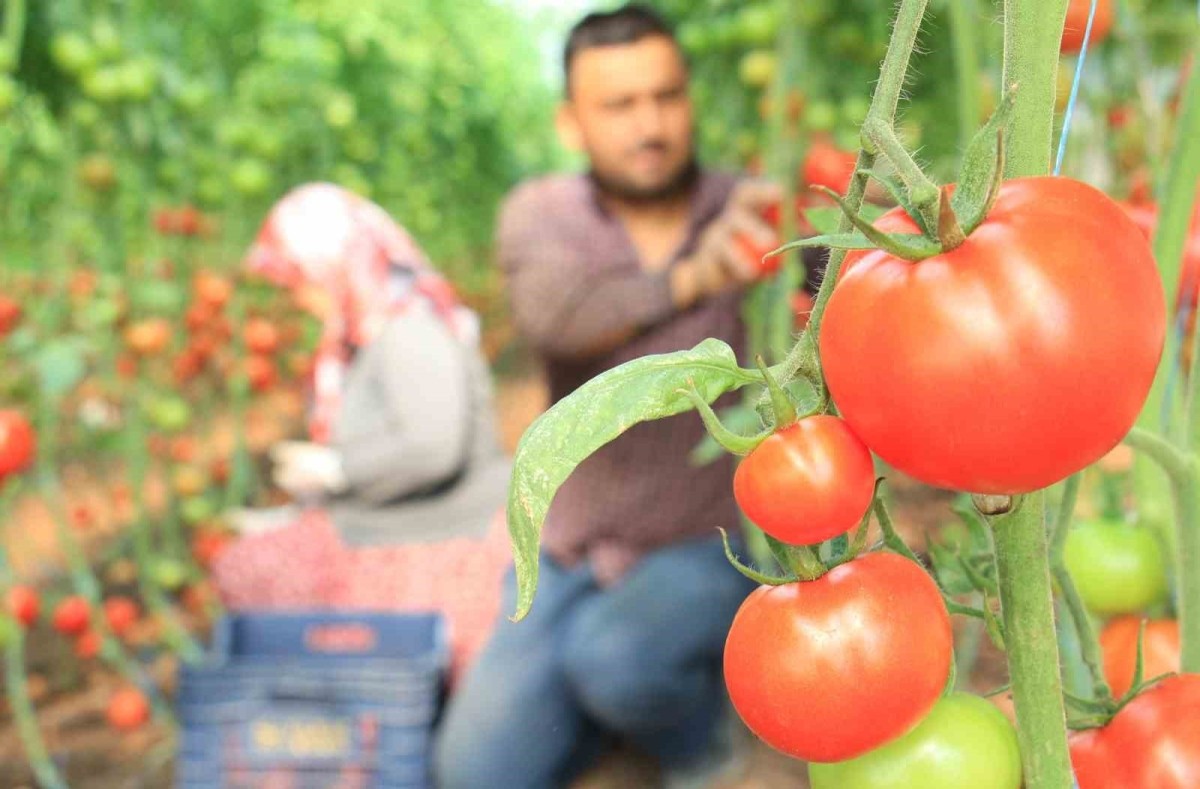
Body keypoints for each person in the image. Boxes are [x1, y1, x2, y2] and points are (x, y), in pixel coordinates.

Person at [434, 6, 794, 788]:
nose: (650, 124)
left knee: (616, 659)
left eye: (666, 96)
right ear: (571, 121)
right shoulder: (545, 213)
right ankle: (618, 713)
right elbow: (559, 317)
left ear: (690, 99)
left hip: (711, 539)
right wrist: (694, 277)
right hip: (574, 550)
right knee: (474, 772)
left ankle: (701, 749)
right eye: (619, 106)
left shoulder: (751, 209)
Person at [212, 183, 513, 679]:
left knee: (257, 568)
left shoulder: (408, 332)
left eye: (303, 280)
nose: (300, 298)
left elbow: (434, 449)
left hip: (443, 529)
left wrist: (338, 469)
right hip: (404, 520)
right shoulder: (372, 334)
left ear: (337, 265)